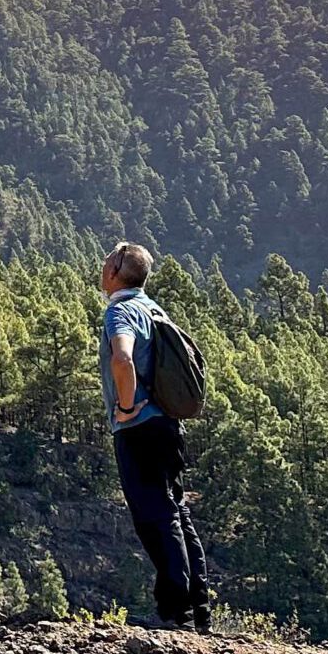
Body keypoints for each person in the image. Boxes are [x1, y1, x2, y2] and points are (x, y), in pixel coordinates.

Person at [99, 241, 211, 632]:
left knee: (154, 517)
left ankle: (174, 613)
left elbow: (122, 358)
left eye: (107, 258)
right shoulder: (154, 309)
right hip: (167, 427)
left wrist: (127, 406)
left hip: (139, 428)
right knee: (176, 512)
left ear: (116, 269)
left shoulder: (120, 311)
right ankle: (199, 611)